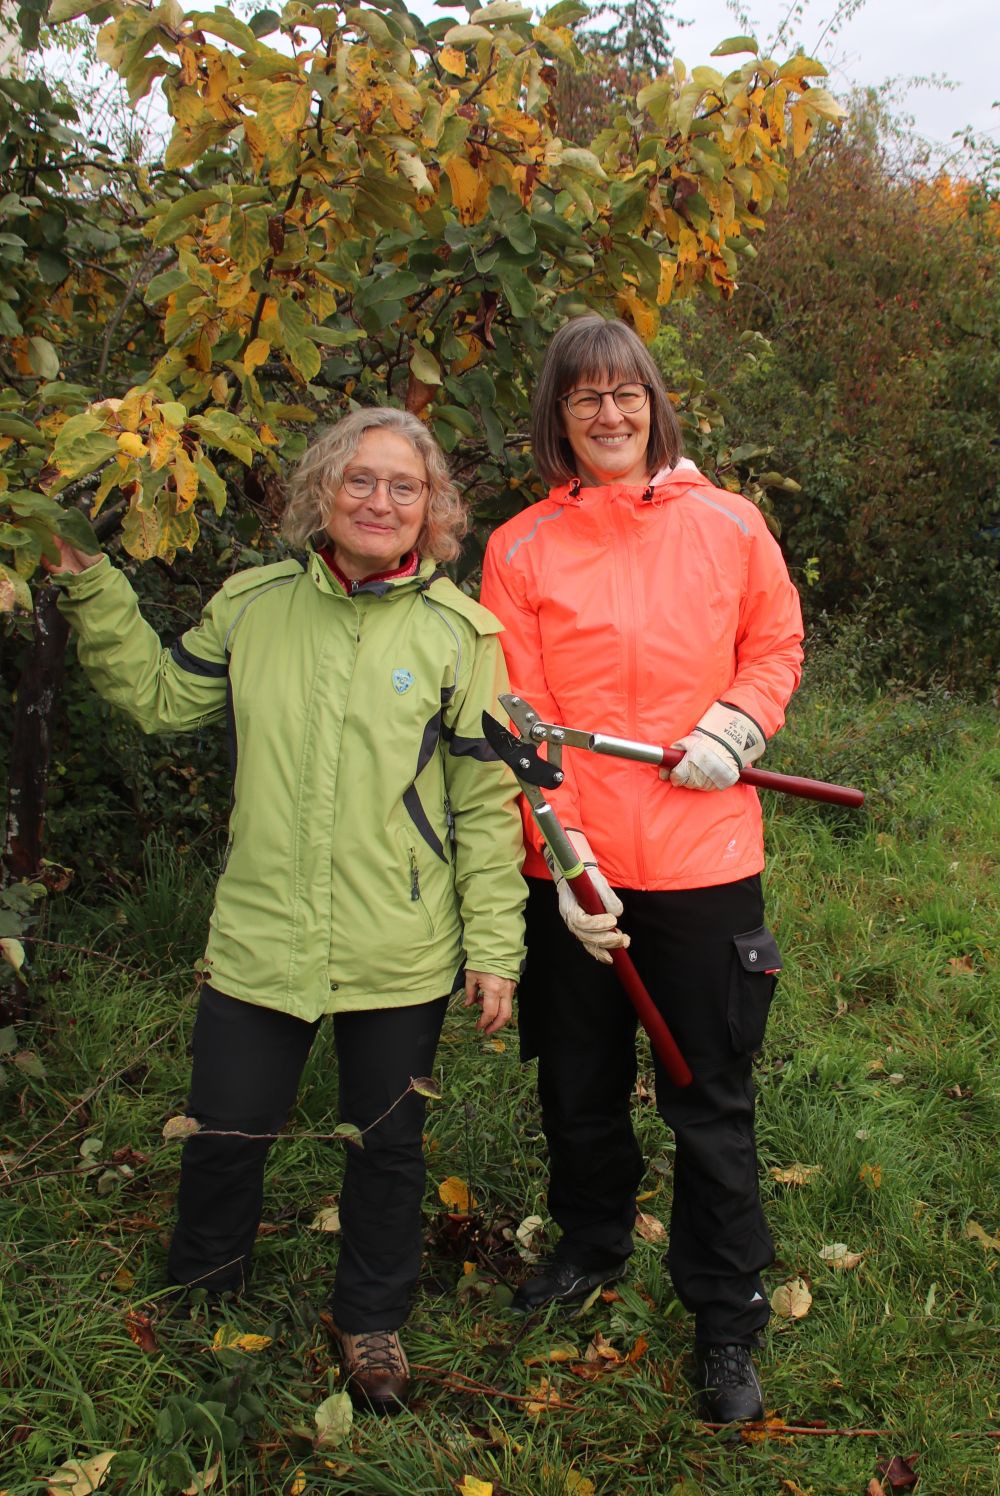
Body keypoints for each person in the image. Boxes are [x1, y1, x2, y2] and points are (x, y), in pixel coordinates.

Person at [47, 406, 526, 1415]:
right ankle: (203, 1300)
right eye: (360, 479)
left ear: (432, 510)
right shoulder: (253, 605)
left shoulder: (461, 633)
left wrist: (496, 947)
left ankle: (371, 1320)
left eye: (405, 487)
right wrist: (88, 576)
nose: (380, 501)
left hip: (398, 942)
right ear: (322, 491)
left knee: (386, 1145)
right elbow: (160, 698)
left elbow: (486, 803)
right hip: (261, 930)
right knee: (227, 1129)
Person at [480, 317, 803, 1424]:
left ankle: (725, 1311)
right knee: (575, 1082)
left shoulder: (731, 523)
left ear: (655, 403)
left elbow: (773, 645)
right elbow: (519, 718)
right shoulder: (520, 547)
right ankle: (591, 1241)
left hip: (704, 862)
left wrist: (736, 724)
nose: (609, 414)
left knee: (707, 1095)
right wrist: (565, 862)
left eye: (626, 394)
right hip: (578, 871)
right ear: (559, 416)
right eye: (586, 398)